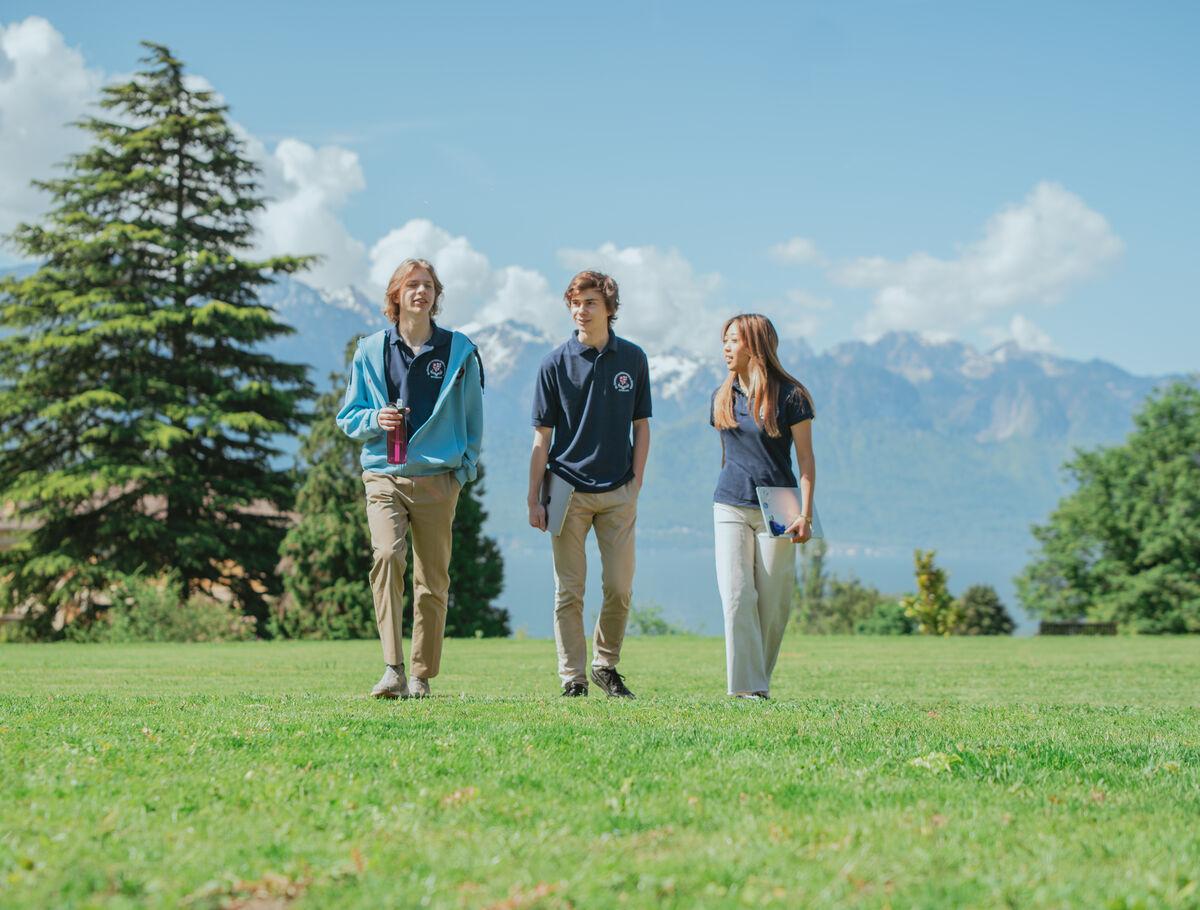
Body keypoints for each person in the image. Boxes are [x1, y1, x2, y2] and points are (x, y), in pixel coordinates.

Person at [336, 258, 484, 699]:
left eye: (428, 286)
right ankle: (392, 669)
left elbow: (475, 416)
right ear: (396, 296)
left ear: (436, 296)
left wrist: (464, 468)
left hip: (439, 479)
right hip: (384, 474)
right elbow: (348, 416)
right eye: (412, 285)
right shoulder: (369, 350)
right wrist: (373, 418)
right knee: (386, 555)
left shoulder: (458, 351)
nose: (421, 292)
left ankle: (420, 675)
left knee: (432, 582)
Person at [527, 270, 652, 698]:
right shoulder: (553, 364)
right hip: (565, 489)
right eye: (575, 303)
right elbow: (541, 438)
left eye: (590, 303)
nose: (581, 311)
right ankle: (572, 678)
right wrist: (534, 499)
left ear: (609, 308)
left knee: (619, 587)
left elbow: (642, 426)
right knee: (569, 591)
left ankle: (605, 664)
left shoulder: (633, 359)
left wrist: (636, 482)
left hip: (619, 491)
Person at [709, 313, 815, 700]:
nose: (725, 347)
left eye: (733, 340)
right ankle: (745, 691)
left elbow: (805, 460)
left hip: (781, 506)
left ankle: (758, 685)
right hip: (730, 505)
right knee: (737, 597)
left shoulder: (792, 396)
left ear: (755, 345)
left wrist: (804, 513)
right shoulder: (721, 397)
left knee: (772, 606)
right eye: (724, 340)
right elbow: (728, 456)